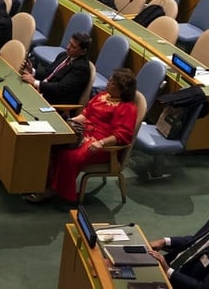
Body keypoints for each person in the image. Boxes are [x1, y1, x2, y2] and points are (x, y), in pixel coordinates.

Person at [23, 68, 137, 203]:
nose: (108, 83)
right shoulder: (103, 95)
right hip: (83, 131)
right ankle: (38, 183)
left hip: (102, 145)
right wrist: (69, 122)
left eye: (112, 83)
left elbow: (121, 136)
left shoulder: (128, 108)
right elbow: (86, 114)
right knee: (54, 144)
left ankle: (56, 193)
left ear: (122, 90)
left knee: (69, 156)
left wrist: (100, 143)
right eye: (110, 79)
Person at [19, 32, 93, 105]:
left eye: (73, 47)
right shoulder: (64, 55)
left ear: (83, 52)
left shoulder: (81, 69)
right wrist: (32, 71)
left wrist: (34, 82)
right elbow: (48, 72)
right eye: (69, 43)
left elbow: (60, 88)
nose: (68, 47)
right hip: (42, 91)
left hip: (54, 102)